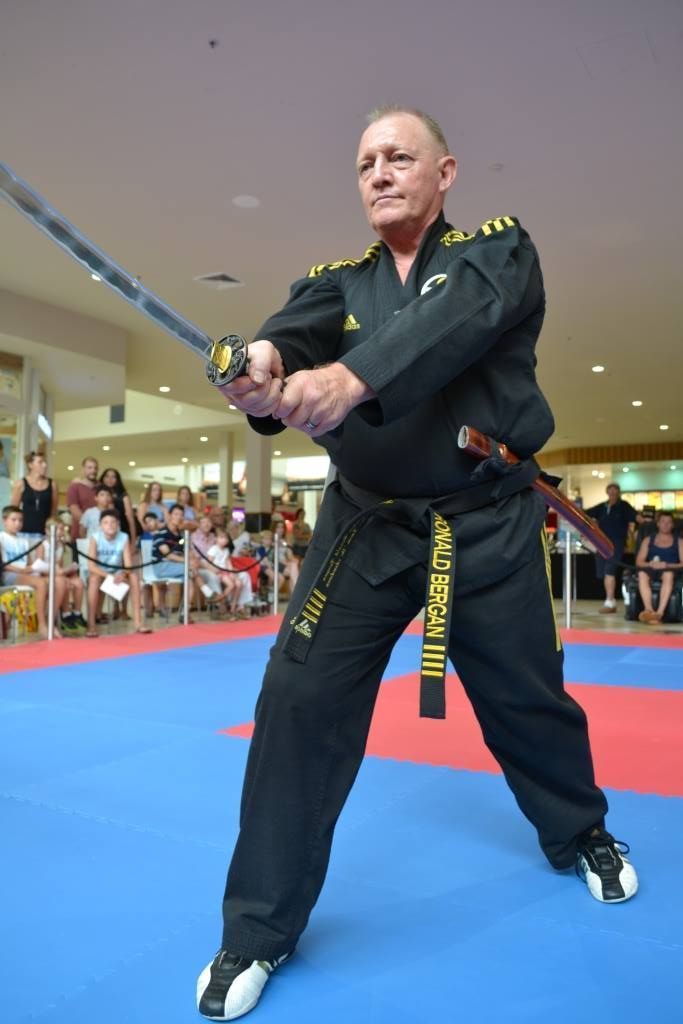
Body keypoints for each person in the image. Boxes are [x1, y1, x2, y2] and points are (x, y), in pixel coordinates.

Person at [196, 107, 638, 1021]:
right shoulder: (340, 282)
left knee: (525, 697)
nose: (379, 172)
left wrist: (348, 383)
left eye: (399, 156)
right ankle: (256, 928)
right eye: (364, 162)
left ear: (445, 171)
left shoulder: (497, 252)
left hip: (483, 524)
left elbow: (450, 324)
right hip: (363, 529)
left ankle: (580, 832)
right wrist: (265, 372)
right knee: (296, 700)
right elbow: (290, 333)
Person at [0, 505, 65, 638]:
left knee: (59, 581)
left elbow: (29, 562)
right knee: (40, 583)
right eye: (14, 520)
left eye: (20, 520)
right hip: (9, 574)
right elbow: (3, 565)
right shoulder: (1, 538)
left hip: (25, 573)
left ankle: (50, 621)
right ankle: (41, 625)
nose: (18, 523)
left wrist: (33, 568)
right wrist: (22, 570)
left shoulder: (24, 541)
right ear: (4, 520)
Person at [85, 509, 150, 637]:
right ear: (101, 525)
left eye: (113, 522)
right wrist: (108, 576)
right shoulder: (95, 538)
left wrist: (123, 574)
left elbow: (128, 564)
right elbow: (91, 566)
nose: (110, 525)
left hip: (117, 571)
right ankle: (91, 624)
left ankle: (138, 622)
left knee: (134, 577)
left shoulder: (124, 537)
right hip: (101, 572)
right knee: (93, 579)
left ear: (118, 524)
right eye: (106, 522)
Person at [585, 483, 637, 613]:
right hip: (601, 542)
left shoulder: (624, 506)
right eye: (610, 492)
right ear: (607, 493)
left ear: (619, 493)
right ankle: (610, 600)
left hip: (617, 543)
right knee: (603, 573)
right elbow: (585, 513)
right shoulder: (602, 507)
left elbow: (636, 517)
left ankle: (609, 601)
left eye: (615, 492)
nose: (613, 494)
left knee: (609, 570)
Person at [34, 516, 86, 635]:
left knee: (78, 582)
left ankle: (77, 613)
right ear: (48, 531)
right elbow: (39, 567)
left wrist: (69, 570)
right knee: (63, 582)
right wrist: (60, 573)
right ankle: (65, 614)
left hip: (57, 574)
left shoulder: (61, 546)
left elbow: (59, 566)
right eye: (58, 529)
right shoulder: (42, 546)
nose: (61, 532)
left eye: (62, 529)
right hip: (45, 576)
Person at [635, 510, 683, 623]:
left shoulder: (679, 541)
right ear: (658, 524)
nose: (665, 525)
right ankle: (649, 610)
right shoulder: (648, 540)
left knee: (668, 574)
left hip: (669, 569)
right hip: (652, 568)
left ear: (672, 525)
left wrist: (666, 565)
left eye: (668, 522)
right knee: (642, 574)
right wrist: (651, 564)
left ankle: (659, 613)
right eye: (663, 522)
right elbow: (639, 562)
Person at [10, 451, 58, 541]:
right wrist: (11, 533)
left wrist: (51, 532)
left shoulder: (52, 484)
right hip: (23, 533)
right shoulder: (20, 484)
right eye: (40, 462)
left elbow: (53, 512)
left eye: (45, 462)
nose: (44, 465)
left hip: (45, 535)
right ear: (30, 465)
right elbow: (13, 511)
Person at [207, 528, 243, 619]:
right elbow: (209, 563)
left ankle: (233, 607)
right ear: (216, 539)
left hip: (226, 571)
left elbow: (228, 562)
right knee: (231, 585)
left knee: (239, 583)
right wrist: (215, 572)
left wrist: (232, 572)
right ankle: (220, 599)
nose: (224, 540)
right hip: (219, 571)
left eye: (226, 538)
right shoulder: (213, 549)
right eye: (221, 538)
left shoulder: (226, 550)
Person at [100, 467, 137, 541]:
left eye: (113, 477)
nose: (110, 479)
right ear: (103, 478)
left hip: (122, 533)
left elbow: (131, 520)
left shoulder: (123, 496)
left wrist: (133, 541)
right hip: (102, 535)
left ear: (117, 480)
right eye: (107, 476)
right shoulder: (98, 495)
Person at [66, 457, 99, 537]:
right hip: (79, 534)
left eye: (95, 468)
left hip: (100, 536)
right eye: (89, 468)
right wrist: (90, 525)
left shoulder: (101, 487)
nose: (93, 471)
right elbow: (74, 509)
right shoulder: (74, 486)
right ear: (83, 469)